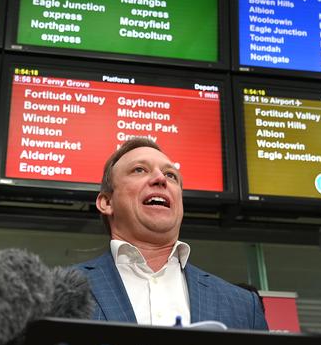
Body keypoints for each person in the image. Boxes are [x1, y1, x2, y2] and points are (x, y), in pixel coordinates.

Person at [76, 138, 268, 330]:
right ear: (107, 203)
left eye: (171, 175)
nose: (160, 179)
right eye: (139, 170)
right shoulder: (57, 293)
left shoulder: (243, 307)